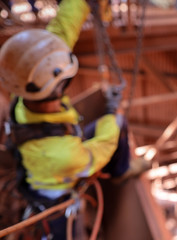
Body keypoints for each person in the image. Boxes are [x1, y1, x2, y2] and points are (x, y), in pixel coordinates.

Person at [0, 0, 149, 238]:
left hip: (50, 159)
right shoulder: (62, 154)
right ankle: (117, 173)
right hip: (55, 195)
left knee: (114, 127)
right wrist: (115, 114)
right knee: (71, 234)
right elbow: (101, 150)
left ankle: (121, 171)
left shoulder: (26, 84)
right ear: (59, 87)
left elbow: (62, 29)